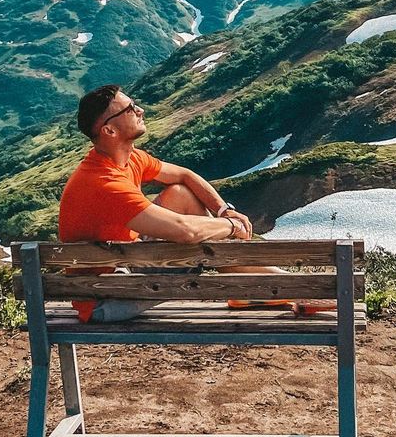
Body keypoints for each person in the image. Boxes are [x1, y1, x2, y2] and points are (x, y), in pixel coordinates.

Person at [58, 83, 260, 324]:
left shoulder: (130, 158)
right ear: (110, 130)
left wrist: (223, 209)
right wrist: (231, 225)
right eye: (130, 109)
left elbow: (185, 175)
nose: (140, 110)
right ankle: (276, 286)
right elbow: (186, 231)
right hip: (107, 297)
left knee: (181, 194)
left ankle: (269, 286)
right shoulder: (103, 182)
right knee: (192, 242)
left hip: (123, 265)